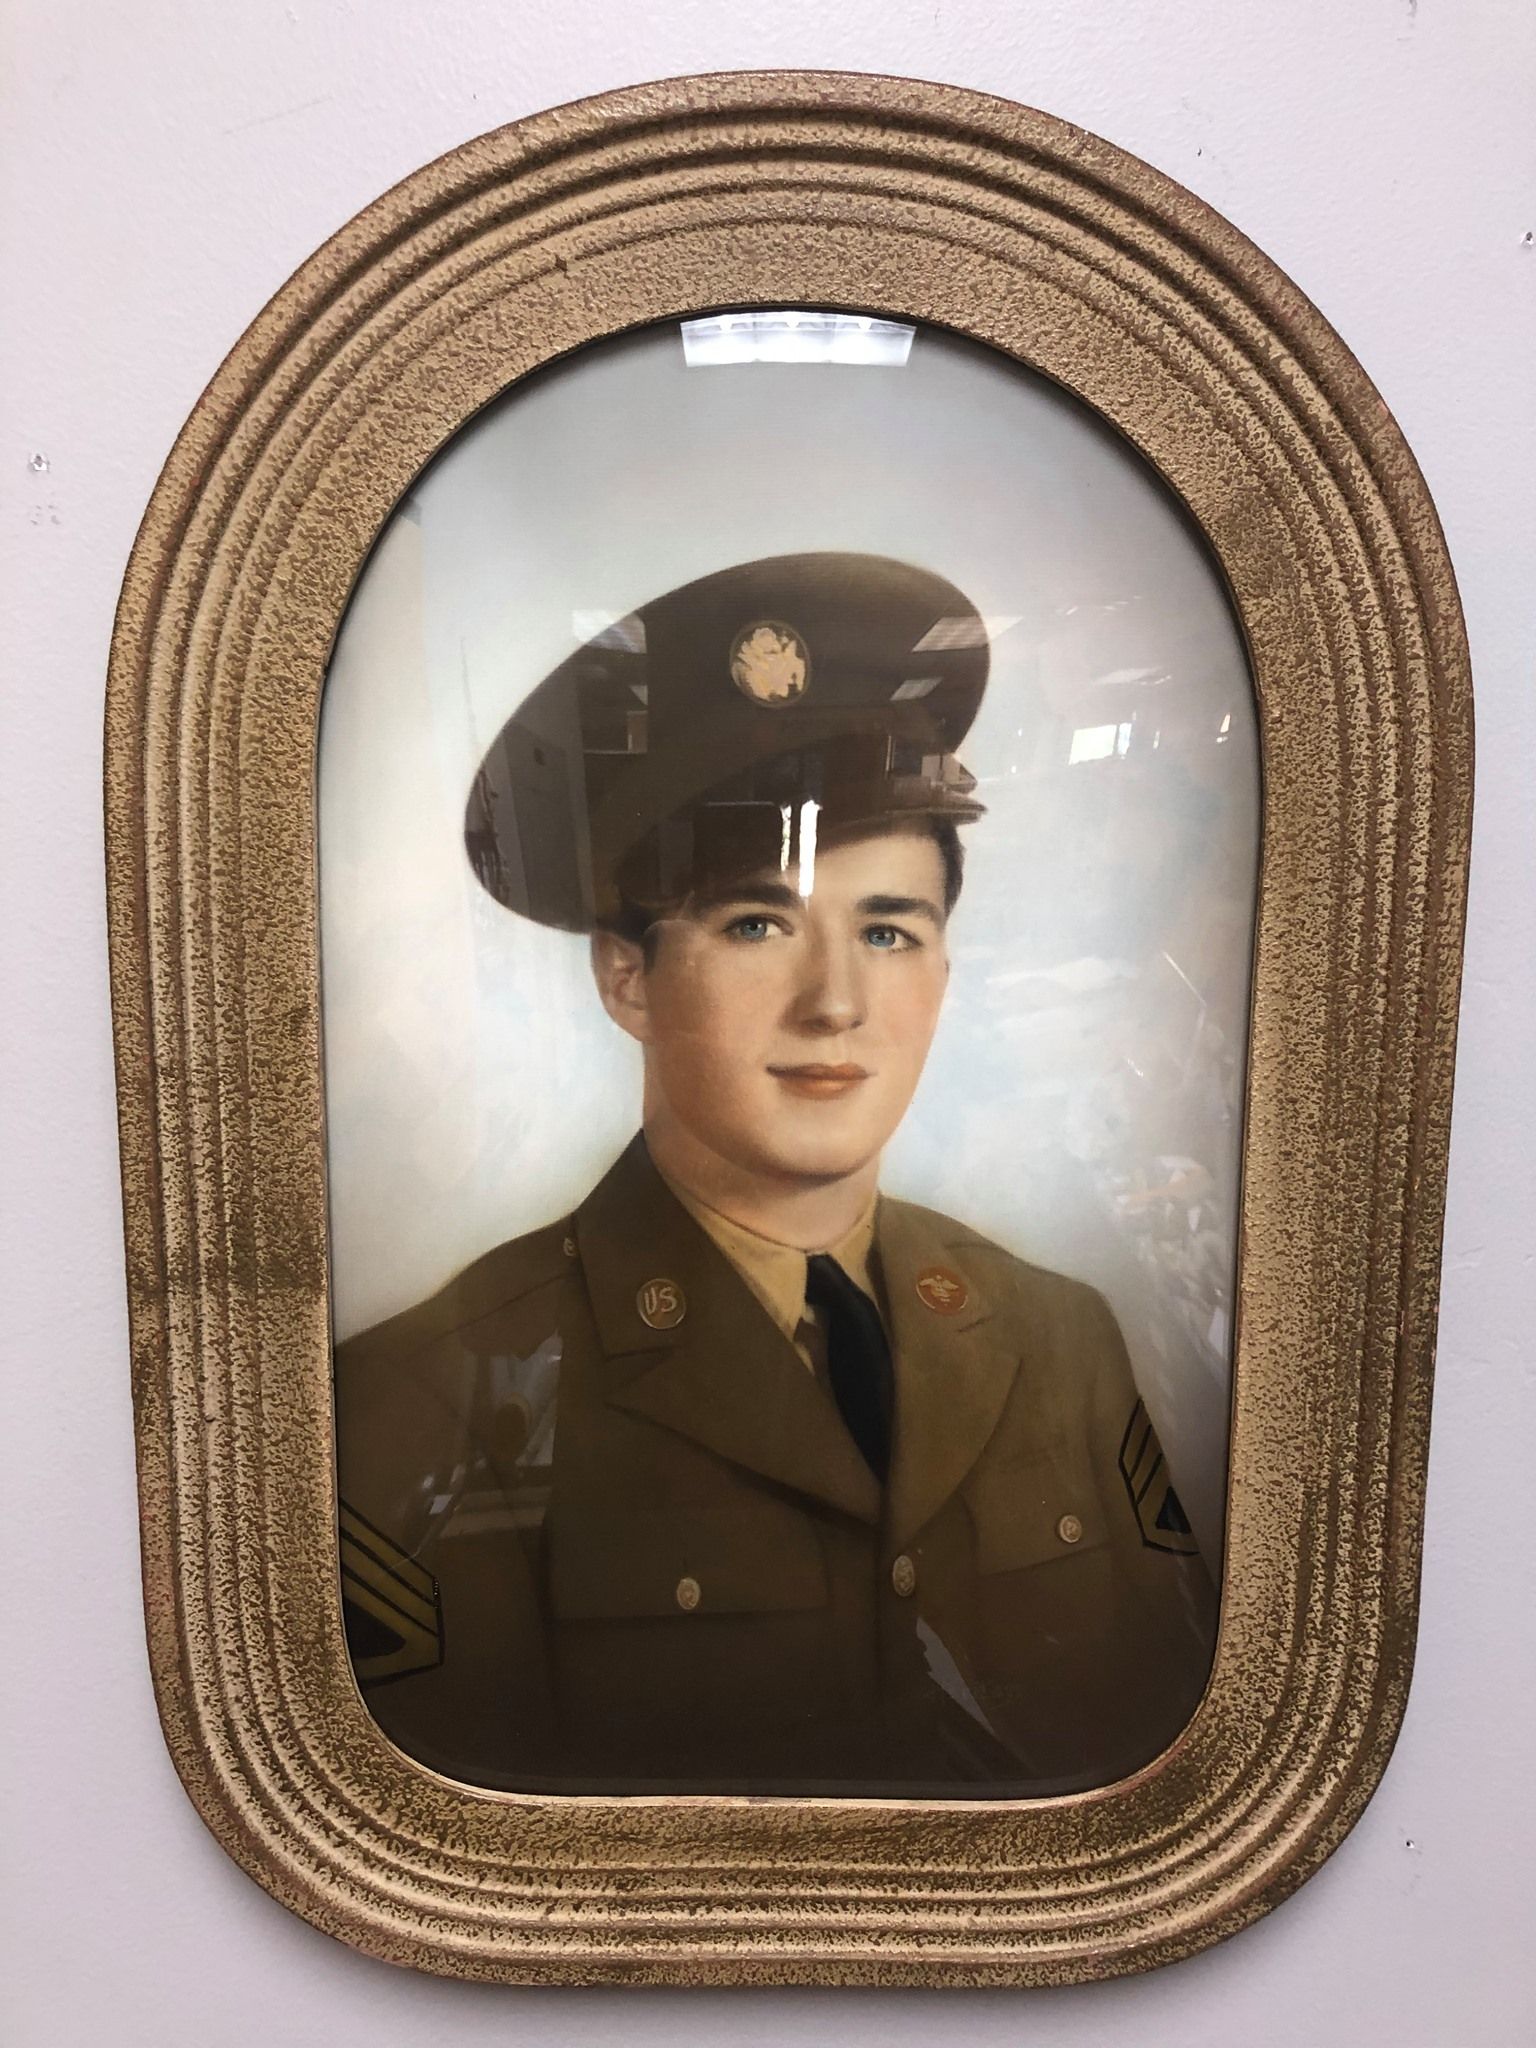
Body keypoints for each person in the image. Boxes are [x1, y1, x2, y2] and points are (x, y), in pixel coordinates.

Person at [334, 553, 1217, 1796]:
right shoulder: (424, 1406)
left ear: (945, 975)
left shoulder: (1062, 1338)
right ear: (627, 977)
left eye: (889, 930)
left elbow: (1170, 1758)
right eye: (757, 924)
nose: (837, 1003)